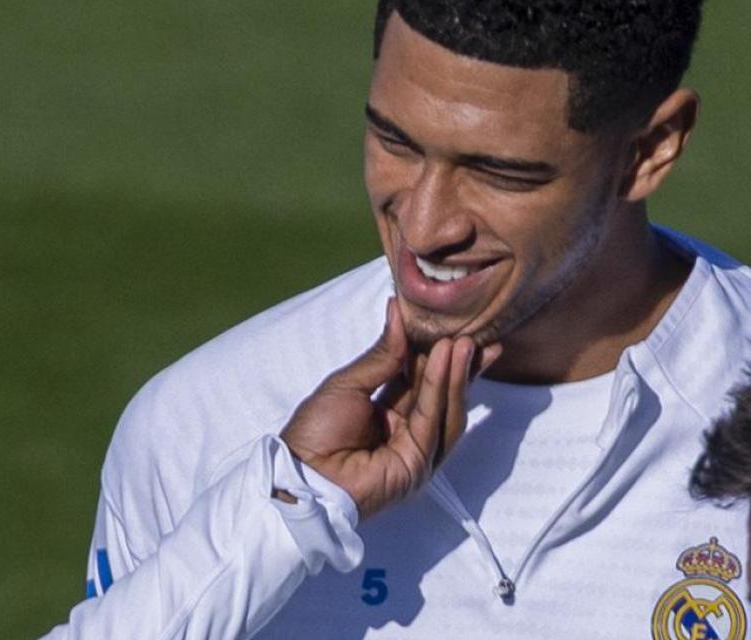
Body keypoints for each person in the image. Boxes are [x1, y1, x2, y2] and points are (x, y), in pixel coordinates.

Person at [82, 1, 751, 638]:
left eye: (498, 173)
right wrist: (287, 515)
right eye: (393, 141)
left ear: (651, 150)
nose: (425, 228)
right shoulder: (198, 426)